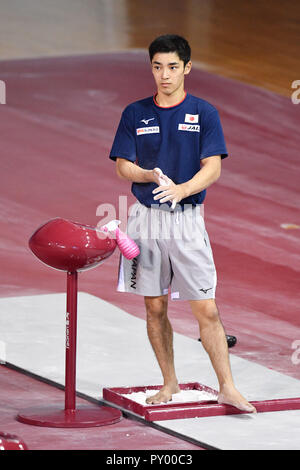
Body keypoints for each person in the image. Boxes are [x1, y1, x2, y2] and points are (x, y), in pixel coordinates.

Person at [109, 34, 256, 413]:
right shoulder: (134, 113)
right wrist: (146, 175)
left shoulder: (204, 113)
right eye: (157, 67)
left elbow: (214, 167)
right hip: (145, 223)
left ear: (187, 68)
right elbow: (123, 164)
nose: (165, 75)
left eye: (173, 67)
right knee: (154, 307)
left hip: (187, 221)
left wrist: (183, 189)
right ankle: (168, 382)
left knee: (205, 308)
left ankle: (228, 387)